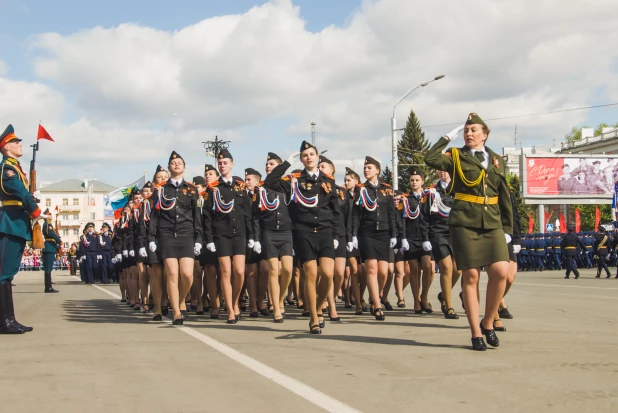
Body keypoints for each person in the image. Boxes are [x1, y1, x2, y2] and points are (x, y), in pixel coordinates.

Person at [425, 113, 513, 351]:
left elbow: (503, 194)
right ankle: (476, 332)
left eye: (474, 130)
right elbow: (430, 158)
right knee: (471, 275)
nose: (469, 133)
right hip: (464, 221)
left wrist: (508, 228)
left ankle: (488, 321)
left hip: (492, 221)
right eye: (466, 130)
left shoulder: (496, 159)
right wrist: (447, 138)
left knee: (501, 271)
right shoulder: (456, 156)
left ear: (485, 134)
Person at [263, 141, 341, 334]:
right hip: (303, 232)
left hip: (325, 231)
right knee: (311, 273)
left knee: (328, 273)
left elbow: (335, 209)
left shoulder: (328, 181)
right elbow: (269, 183)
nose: (308, 158)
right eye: (304, 155)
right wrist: (286, 164)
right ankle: (314, 317)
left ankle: (320, 303)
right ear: (302, 159)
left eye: (311, 154)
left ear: (318, 157)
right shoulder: (294, 180)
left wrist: (337, 234)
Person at [0, 124, 48, 334]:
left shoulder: (15, 168)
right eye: (15, 142)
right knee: (3, 275)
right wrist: (36, 211)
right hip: (10, 223)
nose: (20, 144)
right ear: (6, 147)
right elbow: (18, 192)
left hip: (17, 223)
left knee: (8, 275)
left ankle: (9, 319)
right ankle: (4, 322)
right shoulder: (7, 169)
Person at [148, 151, 202, 325]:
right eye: (173, 163)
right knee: (172, 273)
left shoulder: (192, 190)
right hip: (167, 234)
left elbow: (196, 216)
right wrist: (151, 238)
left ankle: (180, 299)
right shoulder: (161, 190)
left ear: (185, 168)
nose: (176, 165)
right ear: (170, 167)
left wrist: (199, 239)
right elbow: (155, 216)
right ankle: (177, 312)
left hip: (186, 234)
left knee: (187, 274)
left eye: (179, 162)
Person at [202, 149, 253, 324]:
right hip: (221, 234)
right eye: (220, 163)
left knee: (239, 272)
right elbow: (207, 215)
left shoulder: (240, 186)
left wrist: (252, 235)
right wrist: (209, 239)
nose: (222, 166)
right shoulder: (213, 188)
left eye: (225, 163)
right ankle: (230, 310)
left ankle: (235, 300)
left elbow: (247, 212)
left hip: (239, 233)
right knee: (226, 271)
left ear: (232, 164)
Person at [352, 156, 397, 322]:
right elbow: (356, 214)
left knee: (384, 272)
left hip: (384, 232)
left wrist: (394, 235)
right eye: (365, 168)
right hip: (367, 232)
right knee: (371, 268)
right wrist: (354, 235)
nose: (366, 170)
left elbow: (391, 213)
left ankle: (375, 296)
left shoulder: (386, 189)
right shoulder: (360, 189)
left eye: (369, 167)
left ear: (377, 170)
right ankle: (377, 306)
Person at [253, 153, 294, 323]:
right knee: (274, 270)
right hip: (269, 232)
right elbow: (255, 216)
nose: (268, 167)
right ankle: (277, 308)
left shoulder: (288, 186)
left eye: (271, 164)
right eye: (267, 164)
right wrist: (256, 238)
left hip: (286, 231)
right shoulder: (260, 188)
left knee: (287, 270)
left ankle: (280, 297)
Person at [422, 170, 461, 320]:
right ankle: (448, 306)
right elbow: (424, 217)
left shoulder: (459, 189)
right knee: (446, 267)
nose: (444, 172)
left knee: (458, 270)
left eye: (447, 169)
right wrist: (426, 238)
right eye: (441, 170)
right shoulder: (431, 192)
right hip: (438, 233)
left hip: (456, 233)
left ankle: (444, 294)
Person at [41, 209, 61, 293]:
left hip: (50, 247)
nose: (51, 216)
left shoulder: (48, 225)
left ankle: (48, 287)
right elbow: (51, 234)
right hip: (49, 247)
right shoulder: (48, 225)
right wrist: (59, 240)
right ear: (47, 217)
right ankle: (48, 288)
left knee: (48, 268)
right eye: (50, 215)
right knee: (48, 268)